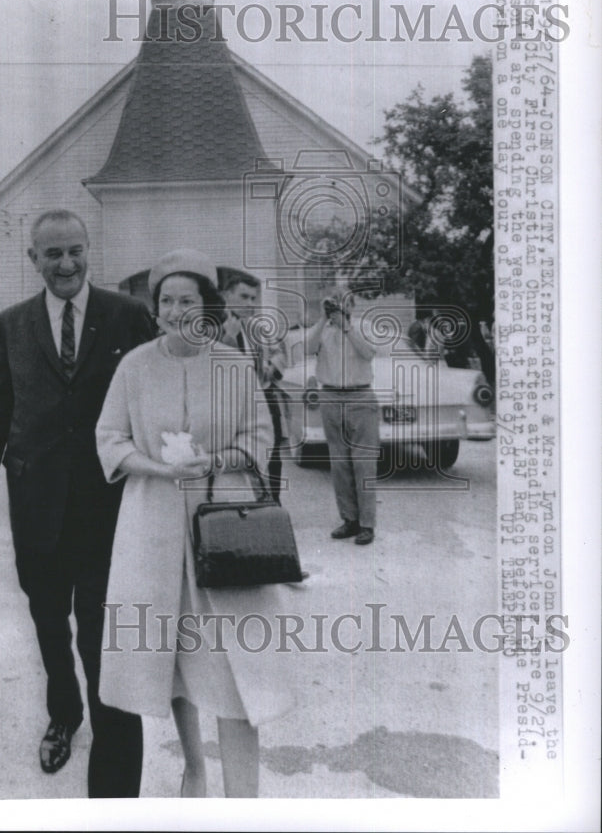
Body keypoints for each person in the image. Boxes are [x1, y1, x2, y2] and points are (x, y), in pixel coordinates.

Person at [0, 209, 153, 797]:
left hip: (107, 513)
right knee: (48, 623)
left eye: (75, 251)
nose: (66, 264)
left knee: (99, 634)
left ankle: (112, 779)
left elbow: (155, 399)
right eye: (53, 254)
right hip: (37, 511)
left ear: (89, 249)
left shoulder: (128, 315)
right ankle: (64, 715)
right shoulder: (11, 326)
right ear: (33, 260)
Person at [96, 249, 300, 798]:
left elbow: (261, 439)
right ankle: (193, 769)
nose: (176, 309)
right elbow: (110, 440)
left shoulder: (233, 365)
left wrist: (212, 461)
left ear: (207, 306)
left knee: (238, 665)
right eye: (167, 299)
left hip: (223, 524)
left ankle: (244, 800)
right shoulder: (134, 365)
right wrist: (159, 468)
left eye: (188, 299)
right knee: (174, 658)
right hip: (153, 525)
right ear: (155, 307)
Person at [306, 289, 379, 546]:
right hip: (331, 396)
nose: (339, 307)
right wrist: (322, 319)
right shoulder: (323, 329)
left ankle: (367, 524)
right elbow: (307, 347)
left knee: (364, 462)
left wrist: (346, 326)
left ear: (352, 305)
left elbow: (369, 353)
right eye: (334, 303)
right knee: (339, 463)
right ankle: (349, 519)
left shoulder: (362, 327)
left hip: (360, 397)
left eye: (343, 303)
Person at [222, 274, 287, 503]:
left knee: (273, 451)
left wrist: (271, 368)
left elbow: (280, 351)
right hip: (232, 403)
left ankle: (273, 502)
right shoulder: (214, 327)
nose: (250, 303)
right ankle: (248, 501)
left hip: (263, 395)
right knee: (240, 451)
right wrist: (229, 337)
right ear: (227, 296)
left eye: (253, 298)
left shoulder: (257, 327)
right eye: (244, 297)